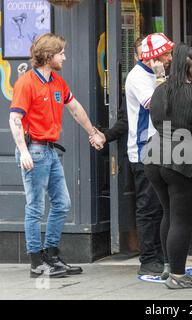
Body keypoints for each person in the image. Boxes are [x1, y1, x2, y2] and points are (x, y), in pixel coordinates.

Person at [9, 33, 105, 278]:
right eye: (61, 53)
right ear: (49, 56)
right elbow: (15, 119)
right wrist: (23, 152)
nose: (65, 56)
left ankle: (52, 257)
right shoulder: (26, 83)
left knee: (62, 204)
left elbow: (75, 108)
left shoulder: (57, 82)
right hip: (35, 151)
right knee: (35, 207)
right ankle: (35, 262)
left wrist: (93, 132)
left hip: (50, 151)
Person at [91, 33, 174, 276]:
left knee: (160, 205)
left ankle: (159, 253)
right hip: (144, 150)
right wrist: (161, 77)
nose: (169, 58)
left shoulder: (154, 75)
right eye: (166, 54)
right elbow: (159, 106)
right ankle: (149, 257)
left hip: (160, 148)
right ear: (154, 57)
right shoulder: (139, 77)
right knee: (148, 206)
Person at [144, 43, 192, 289]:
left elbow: (155, 121)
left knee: (170, 213)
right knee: (182, 220)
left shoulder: (160, 91)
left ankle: (168, 266)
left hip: (155, 154)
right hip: (185, 160)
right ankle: (177, 274)